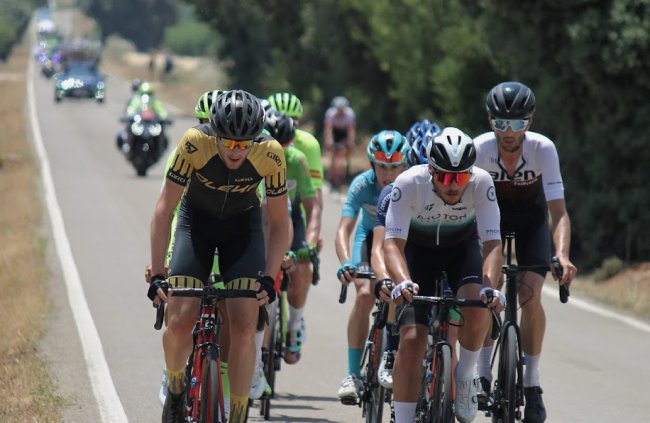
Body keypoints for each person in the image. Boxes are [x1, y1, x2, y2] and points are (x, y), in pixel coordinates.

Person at [147, 90, 290, 423]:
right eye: (228, 142)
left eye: (243, 144)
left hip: (242, 230)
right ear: (214, 134)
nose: (235, 150)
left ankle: (237, 415)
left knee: (244, 324)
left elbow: (280, 224)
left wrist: (269, 277)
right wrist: (158, 274)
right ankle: (176, 386)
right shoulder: (194, 143)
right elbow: (164, 211)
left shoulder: (270, 153)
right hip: (195, 225)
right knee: (179, 322)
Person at [383, 127, 505, 423]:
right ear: (430, 170)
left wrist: (490, 287)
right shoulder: (408, 183)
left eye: (460, 178)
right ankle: (403, 418)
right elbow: (393, 244)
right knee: (412, 339)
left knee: (477, 307)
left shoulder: (482, 183)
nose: (453, 185)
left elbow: (492, 244)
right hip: (418, 254)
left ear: (470, 174)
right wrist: (402, 281)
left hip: (460, 251)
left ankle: (465, 376)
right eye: (446, 177)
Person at [473, 81, 577, 423]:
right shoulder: (479, 149)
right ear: (490, 121)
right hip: (492, 224)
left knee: (531, 295)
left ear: (529, 122)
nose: (508, 132)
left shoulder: (543, 149)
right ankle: (482, 373)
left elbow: (558, 212)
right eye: (501, 123)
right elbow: (470, 208)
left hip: (531, 223)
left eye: (517, 123)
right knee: (488, 289)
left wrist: (562, 255)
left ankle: (532, 383)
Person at [335, 130, 410, 404]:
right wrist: (346, 261)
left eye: (394, 167)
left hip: (398, 241)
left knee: (392, 292)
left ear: (405, 165)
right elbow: (344, 229)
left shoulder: (410, 185)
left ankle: (389, 354)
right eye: (381, 166)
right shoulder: (362, 185)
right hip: (368, 239)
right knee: (366, 294)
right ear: (372, 164)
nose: (388, 174)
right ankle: (352, 374)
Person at [267, 92, 324, 349]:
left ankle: (294, 323)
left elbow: (315, 202)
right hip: (263, 216)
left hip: (293, 214)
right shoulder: (256, 147)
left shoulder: (305, 149)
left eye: (293, 119)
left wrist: (311, 242)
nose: (285, 121)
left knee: (301, 268)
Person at [323, 96, 356, 189]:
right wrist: (328, 141)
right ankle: (331, 176)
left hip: (344, 132)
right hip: (335, 132)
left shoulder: (350, 114)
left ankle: (347, 172)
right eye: (338, 109)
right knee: (333, 154)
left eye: (342, 110)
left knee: (346, 153)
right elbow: (328, 129)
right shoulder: (330, 114)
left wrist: (351, 141)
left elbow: (351, 130)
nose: (340, 112)